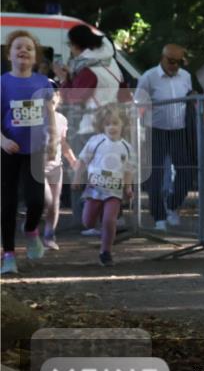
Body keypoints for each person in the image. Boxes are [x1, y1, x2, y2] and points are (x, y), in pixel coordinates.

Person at [1, 30, 58, 274]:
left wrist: (54, 139)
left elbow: (50, 113)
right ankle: (9, 255)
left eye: (29, 48)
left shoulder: (42, 83)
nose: (23, 50)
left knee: (37, 200)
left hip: (35, 149)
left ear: (35, 57)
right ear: (9, 54)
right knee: (8, 203)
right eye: (18, 47)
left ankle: (31, 230)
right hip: (9, 150)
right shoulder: (3, 82)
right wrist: (2, 141)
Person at [136, 44, 195, 231]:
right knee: (155, 175)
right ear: (162, 58)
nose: (174, 65)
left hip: (179, 130)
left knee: (186, 172)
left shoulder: (186, 76)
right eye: (171, 61)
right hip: (156, 129)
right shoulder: (148, 77)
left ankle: (171, 205)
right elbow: (137, 103)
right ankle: (158, 216)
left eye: (179, 62)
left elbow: (190, 96)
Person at [74, 105, 135, 266]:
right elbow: (82, 161)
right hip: (95, 189)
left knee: (109, 221)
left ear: (123, 124)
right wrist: (77, 178)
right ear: (102, 126)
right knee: (87, 222)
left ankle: (105, 252)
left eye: (115, 123)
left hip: (114, 191)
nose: (112, 127)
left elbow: (129, 170)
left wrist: (128, 187)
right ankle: (92, 209)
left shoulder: (127, 148)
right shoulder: (95, 141)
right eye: (108, 124)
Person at [55, 24, 124, 137]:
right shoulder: (110, 62)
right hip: (112, 122)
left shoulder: (88, 70)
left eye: (70, 45)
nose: (70, 50)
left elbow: (73, 99)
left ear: (76, 45)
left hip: (92, 126)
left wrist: (63, 79)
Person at [41, 89, 77, 250]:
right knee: (45, 199)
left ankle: (49, 235)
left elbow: (62, 142)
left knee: (55, 203)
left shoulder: (62, 119)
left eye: (53, 100)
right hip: (37, 166)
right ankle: (31, 226)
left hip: (56, 166)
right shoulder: (35, 118)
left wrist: (72, 159)